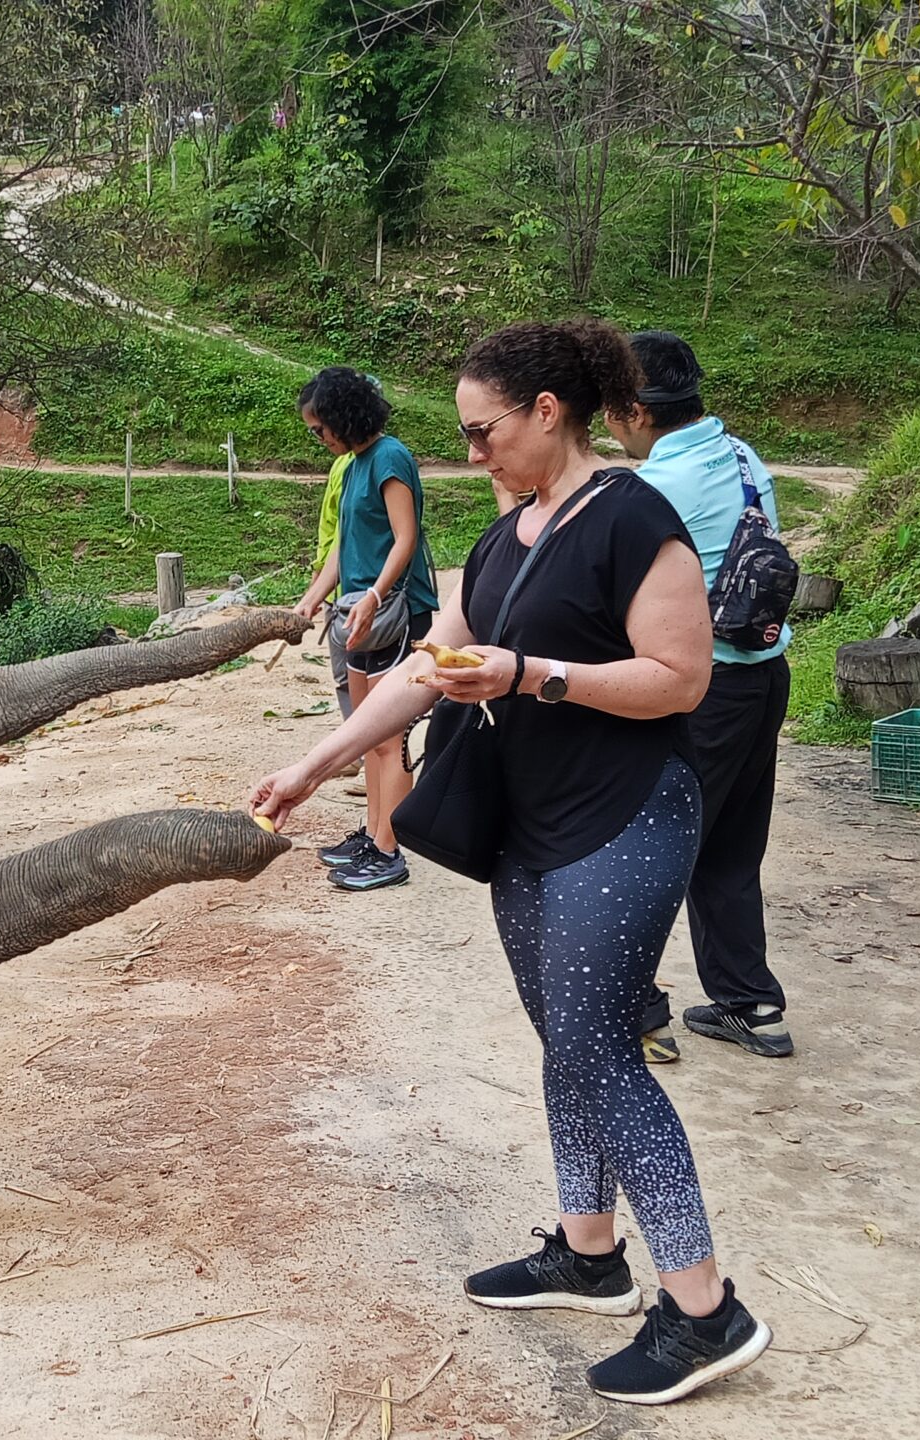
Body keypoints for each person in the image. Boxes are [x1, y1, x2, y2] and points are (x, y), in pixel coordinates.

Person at [252, 320, 769, 1405]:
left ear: (548, 411)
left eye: (483, 433)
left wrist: (534, 672)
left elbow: (678, 679)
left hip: (623, 818)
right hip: (530, 830)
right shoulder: (500, 543)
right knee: (562, 1037)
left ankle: (705, 1309)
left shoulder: (631, 517)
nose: (471, 455)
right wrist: (315, 763)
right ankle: (587, 1252)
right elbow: (430, 673)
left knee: (602, 1047)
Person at [602, 331, 796, 1063]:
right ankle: (749, 1003)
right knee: (729, 847)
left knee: (647, 847)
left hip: (701, 692)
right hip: (763, 675)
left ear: (635, 411)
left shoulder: (651, 487)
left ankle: (639, 1015)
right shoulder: (741, 453)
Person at [291, 366, 438, 892]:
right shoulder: (354, 464)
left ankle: (389, 850)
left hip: (392, 611)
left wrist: (376, 595)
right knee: (367, 731)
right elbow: (341, 547)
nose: (319, 439)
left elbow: (405, 538)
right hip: (358, 611)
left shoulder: (390, 458)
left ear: (343, 416)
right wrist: (310, 601)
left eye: (320, 428)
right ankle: (373, 832)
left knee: (388, 736)